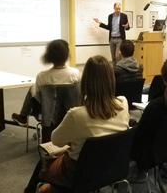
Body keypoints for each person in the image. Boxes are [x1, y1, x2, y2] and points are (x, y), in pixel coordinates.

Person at [26, 55, 130, 193]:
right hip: (112, 167)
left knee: (45, 160)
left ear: (85, 82)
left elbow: (56, 140)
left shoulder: (77, 114)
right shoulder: (123, 103)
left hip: (79, 173)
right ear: (111, 80)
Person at [12, 39, 80, 126]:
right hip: (72, 115)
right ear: (66, 55)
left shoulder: (42, 76)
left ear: (49, 56)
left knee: (33, 88)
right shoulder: (75, 74)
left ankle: (23, 116)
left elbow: (38, 98)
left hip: (48, 118)